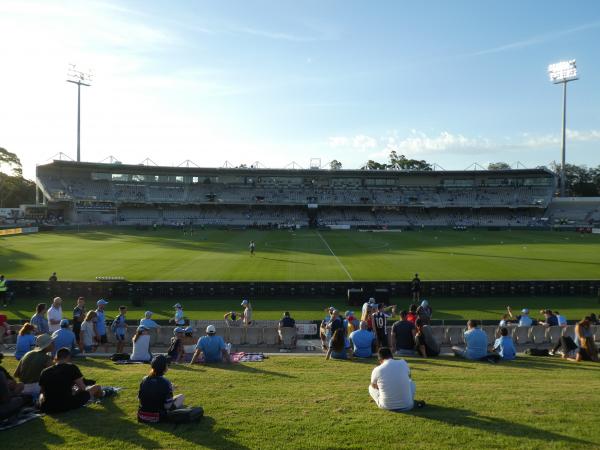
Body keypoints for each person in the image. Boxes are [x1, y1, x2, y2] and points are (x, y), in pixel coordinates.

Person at [38, 347, 106, 414]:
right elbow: (83, 388)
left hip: (47, 407)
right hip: (65, 405)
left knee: (42, 396)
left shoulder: (45, 371)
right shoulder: (72, 367)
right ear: (68, 357)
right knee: (97, 387)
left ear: (56, 357)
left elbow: (42, 392)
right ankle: (103, 394)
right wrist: (76, 391)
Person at [138, 355, 200, 423]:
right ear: (164, 367)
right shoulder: (166, 382)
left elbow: (140, 398)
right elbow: (168, 405)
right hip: (158, 416)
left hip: (142, 415)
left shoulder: (144, 379)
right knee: (181, 397)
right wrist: (170, 389)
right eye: (167, 365)